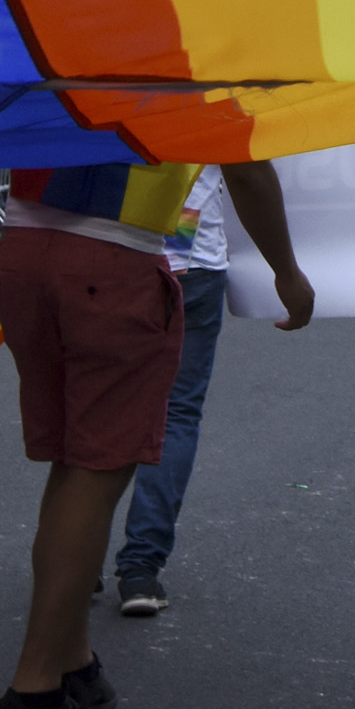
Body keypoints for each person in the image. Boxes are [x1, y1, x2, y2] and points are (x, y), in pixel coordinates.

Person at [0, 158, 312, 709]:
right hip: (113, 255)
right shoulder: (181, 64)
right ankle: (34, 690)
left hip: (24, 243)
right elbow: (247, 168)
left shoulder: (59, 55)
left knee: (73, 462)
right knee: (98, 467)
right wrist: (286, 271)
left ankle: (72, 661)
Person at [111, 169, 234, 618]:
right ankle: (141, 566)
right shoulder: (213, 95)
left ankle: (76, 553)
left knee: (101, 408)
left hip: (112, 255)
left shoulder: (110, 94)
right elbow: (251, 174)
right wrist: (285, 271)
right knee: (177, 414)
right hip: (193, 265)